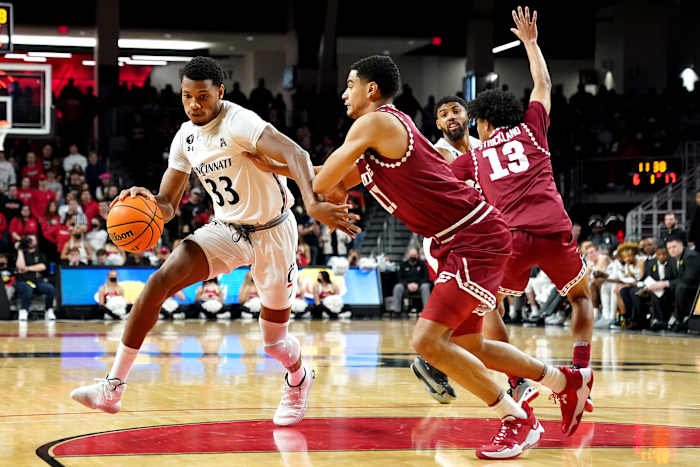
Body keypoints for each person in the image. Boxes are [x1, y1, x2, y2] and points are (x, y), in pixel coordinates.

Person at [256, 38, 592, 459]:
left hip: (476, 236)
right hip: (465, 239)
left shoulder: (375, 123)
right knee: (472, 345)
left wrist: (308, 191)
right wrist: (269, 160)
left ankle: (517, 419)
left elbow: (323, 186)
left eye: (350, 84)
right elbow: (327, 176)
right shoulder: (373, 144)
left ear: (372, 90)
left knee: (428, 340)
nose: (344, 93)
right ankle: (566, 382)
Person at [70, 56, 358, 428]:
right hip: (226, 230)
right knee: (158, 282)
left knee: (274, 343)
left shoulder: (241, 122)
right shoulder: (185, 137)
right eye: (187, 96)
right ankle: (112, 388)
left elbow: (297, 153)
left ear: (220, 92)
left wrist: (314, 203)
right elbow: (169, 204)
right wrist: (147, 203)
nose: (194, 104)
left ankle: (299, 376)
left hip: (273, 233)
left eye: (202, 96)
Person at [431, 6, 595, 414]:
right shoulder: (533, 128)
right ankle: (581, 371)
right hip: (555, 231)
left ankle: (518, 381)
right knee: (580, 297)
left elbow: (438, 181)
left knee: (488, 309)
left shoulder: (475, 155)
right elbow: (543, 82)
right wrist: (531, 42)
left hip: (511, 241)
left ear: (482, 122)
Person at [646, 233, 700, 332]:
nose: (672, 250)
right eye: (669, 248)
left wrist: (666, 283)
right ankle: (661, 320)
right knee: (657, 287)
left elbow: (689, 279)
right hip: (680, 287)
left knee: (680, 286)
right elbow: (670, 278)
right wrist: (658, 284)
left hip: (694, 289)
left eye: (674, 246)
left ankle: (680, 320)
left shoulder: (691, 256)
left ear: (681, 245)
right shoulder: (672, 259)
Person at [15, 235, 55, 321]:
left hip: (36, 282)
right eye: (28, 239)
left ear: (36, 242)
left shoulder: (40, 254)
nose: (30, 241)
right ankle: (24, 310)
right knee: (27, 288)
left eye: (32, 240)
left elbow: (42, 266)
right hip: (22, 281)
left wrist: (27, 268)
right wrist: (19, 250)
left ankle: (49, 310)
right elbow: (20, 266)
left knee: (50, 288)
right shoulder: (22, 253)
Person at [432, 96, 482, 163]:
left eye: (456, 111)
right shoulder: (439, 154)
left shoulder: (479, 144)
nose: (451, 117)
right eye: (444, 115)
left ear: (468, 115)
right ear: (438, 124)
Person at [392, 248, 431, 313]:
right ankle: (397, 311)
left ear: (417, 256)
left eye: (414, 255)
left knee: (426, 287)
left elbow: (426, 277)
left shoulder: (422, 264)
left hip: (419, 285)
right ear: (408, 256)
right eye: (411, 256)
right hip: (406, 286)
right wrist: (407, 285)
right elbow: (399, 278)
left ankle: (427, 311)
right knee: (397, 287)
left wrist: (418, 284)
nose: (413, 257)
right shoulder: (403, 265)